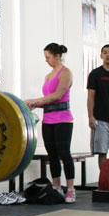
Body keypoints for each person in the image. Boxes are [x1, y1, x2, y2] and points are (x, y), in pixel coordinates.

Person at [24, 43, 76, 203]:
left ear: (57, 56)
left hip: (63, 120)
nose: (46, 60)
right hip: (48, 120)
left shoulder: (66, 73)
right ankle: (57, 187)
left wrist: (35, 101)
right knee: (52, 155)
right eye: (45, 57)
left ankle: (71, 190)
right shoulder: (48, 76)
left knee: (64, 153)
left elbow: (57, 96)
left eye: (48, 57)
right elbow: (47, 99)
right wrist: (35, 104)